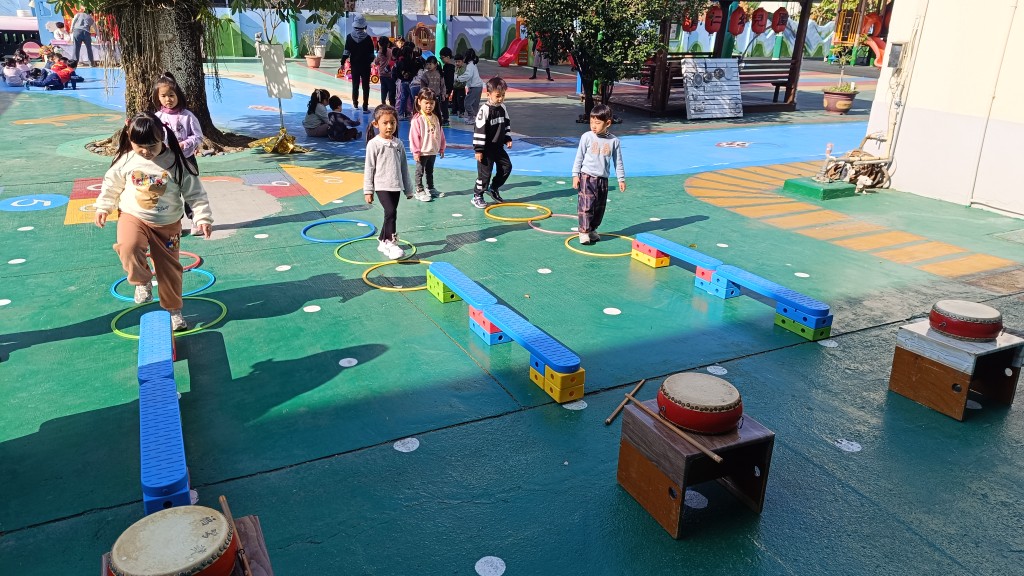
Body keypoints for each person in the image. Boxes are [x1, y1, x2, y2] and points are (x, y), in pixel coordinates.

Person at [93, 112, 213, 331]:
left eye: (152, 146)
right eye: (140, 146)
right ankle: (142, 280)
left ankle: (174, 311)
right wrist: (103, 206)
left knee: (169, 270)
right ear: (130, 139)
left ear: (162, 137)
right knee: (128, 247)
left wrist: (202, 217)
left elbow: (195, 193)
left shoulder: (175, 162)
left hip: (167, 224)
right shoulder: (127, 159)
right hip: (133, 215)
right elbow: (111, 185)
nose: (146, 152)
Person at [153, 72, 203, 233]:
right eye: (163, 96)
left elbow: (198, 136)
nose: (168, 99)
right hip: (167, 162)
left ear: (178, 95)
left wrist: (185, 143)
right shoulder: (157, 118)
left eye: (171, 95)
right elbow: (154, 138)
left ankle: (196, 221)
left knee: (190, 190)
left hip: (187, 159)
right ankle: (175, 224)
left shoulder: (187, 116)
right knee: (170, 193)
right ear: (158, 97)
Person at [571, 104, 626, 246]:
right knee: (586, 205)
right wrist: (575, 175)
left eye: (597, 123)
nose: (593, 126)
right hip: (587, 177)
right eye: (591, 122)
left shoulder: (614, 141)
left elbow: (618, 161)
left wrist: (621, 179)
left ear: (608, 123)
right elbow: (579, 157)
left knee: (599, 207)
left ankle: (592, 229)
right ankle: (584, 231)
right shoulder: (587, 137)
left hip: (603, 179)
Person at [364, 105, 414, 260]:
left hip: (395, 186)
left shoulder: (398, 144)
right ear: (376, 124)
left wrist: (408, 189)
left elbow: (404, 167)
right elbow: (369, 168)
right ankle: (391, 242)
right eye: (385, 123)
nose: (389, 126)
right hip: (381, 185)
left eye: (392, 122)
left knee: (389, 214)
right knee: (391, 212)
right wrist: (368, 190)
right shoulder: (374, 144)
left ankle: (382, 240)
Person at [471, 77, 513, 209]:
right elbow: (479, 129)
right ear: (488, 94)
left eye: (503, 95)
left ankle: (493, 188)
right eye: (498, 96)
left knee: (506, 167)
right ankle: (477, 195)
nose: (501, 99)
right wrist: (478, 150)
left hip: (498, 147)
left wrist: (507, 138)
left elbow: (506, 124)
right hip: (486, 149)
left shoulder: (503, 108)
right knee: (485, 175)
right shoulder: (484, 110)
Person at [409, 88, 446, 202]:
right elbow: (414, 136)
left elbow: (440, 133)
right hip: (422, 151)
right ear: (419, 102)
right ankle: (419, 190)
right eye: (426, 103)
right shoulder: (417, 119)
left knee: (430, 171)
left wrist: (442, 147)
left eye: (432, 103)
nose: (429, 106)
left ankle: (430, 188)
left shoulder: (435, 117)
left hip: (432, 150)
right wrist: (416, 152)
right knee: (420, 171)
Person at [339, 14, 375, 113]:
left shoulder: (349, 37)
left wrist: (342, 63)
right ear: (364, 26)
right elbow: (371, 54)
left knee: (355, 85)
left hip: (354, 65)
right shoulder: (368, 38)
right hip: (365, 66)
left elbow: (346, 52)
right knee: (366, 86)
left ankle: (355, 104)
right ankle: (365, 107)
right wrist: (369, 61)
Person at [455, 48, 483, 125]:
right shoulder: (472, 64)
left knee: (467, 103)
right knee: (474, 104)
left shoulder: (470, 65)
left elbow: (468, 75)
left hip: (475, 87)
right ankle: (473, 117)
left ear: (467, 57)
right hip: (478, 86)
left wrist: (458, 78)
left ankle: (472, 116)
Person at [438, 47, 456, 126]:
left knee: (444, 104)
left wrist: (448, 91)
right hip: (444, 88)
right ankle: (444, 117)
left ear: (448, 57)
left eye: (442, 57)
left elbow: (450, 81)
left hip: (447, 89)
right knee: (442, 103)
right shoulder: (445, 66)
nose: (441, 59)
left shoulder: (451, 67)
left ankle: (446, 119)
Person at [375, 42, 396, 107]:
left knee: (383, 89)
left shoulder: (379, 52)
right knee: (391, 89)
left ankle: (383, 103)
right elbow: (394, 59)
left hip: (382, 73)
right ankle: (392, 104)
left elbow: (376, 62)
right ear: (388, 44)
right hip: (390, 73)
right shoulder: (391, 51)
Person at [451, 54, 467, 119]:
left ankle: (461, 112)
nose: (457, 63)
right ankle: (454, 111)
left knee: (460, 100)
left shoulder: (463, 70)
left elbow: (463, 78)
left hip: (461, 88)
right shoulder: (455, 68)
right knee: (454, 99)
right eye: (456, 62)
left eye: (459, 61)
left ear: (462, 62)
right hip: (455, 87)